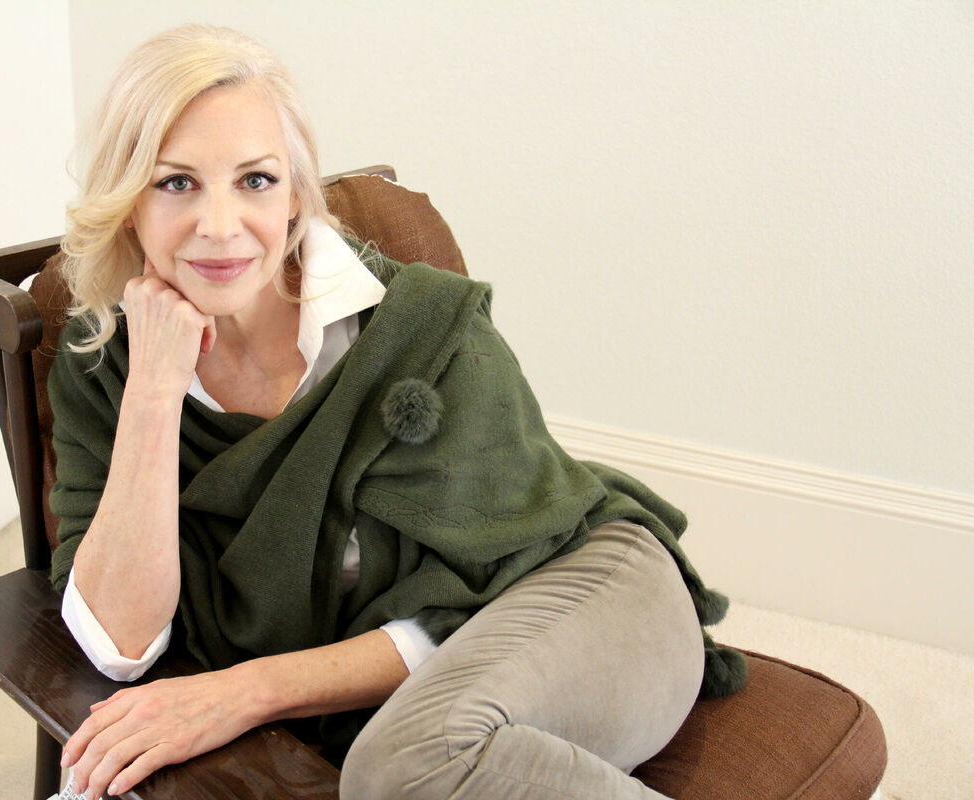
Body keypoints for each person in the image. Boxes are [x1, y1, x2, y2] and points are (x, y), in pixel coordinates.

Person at [45, 24, 745, 800]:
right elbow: (120, 647)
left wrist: (245, 692)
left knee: (400, 768)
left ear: (295, 194)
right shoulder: (102, 366)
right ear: (128, 202)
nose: (219, 225)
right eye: (176, 183)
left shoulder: (424, 330)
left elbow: (485, 583)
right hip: (427, 692)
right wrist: (152, 391)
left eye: (256, 180)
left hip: (585, 591)